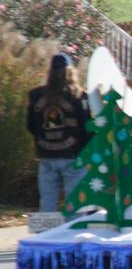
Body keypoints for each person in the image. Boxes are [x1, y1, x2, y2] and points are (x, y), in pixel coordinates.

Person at [27, 53, 92, 212]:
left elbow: (30, 125)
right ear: (71, 72)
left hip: (46, 155)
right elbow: (87, 127)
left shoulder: (36, 95)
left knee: (47, 204)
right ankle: (71, 236)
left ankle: (44, 235)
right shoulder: (79, 96)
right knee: (74, 204)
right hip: (73, 157)